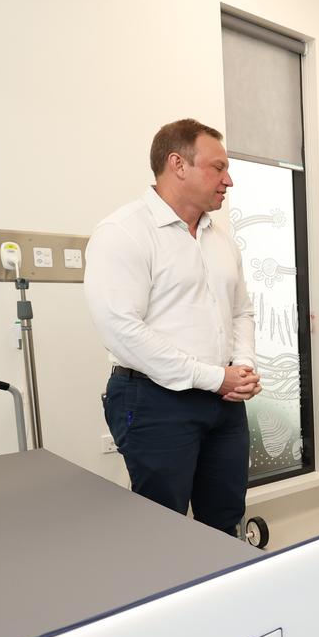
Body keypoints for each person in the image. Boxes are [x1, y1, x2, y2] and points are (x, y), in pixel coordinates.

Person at [85, 118, 262, 536]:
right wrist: (214, 377)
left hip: (224, 403)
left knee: (224, 519)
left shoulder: (221, 241)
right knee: (162, 529)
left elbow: (242, 312)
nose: (229, 180)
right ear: (177, 164)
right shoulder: (124, 232)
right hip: (155, 401)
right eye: (218, 168)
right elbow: (122, 330)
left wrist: (244, 367)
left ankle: (224, 600)